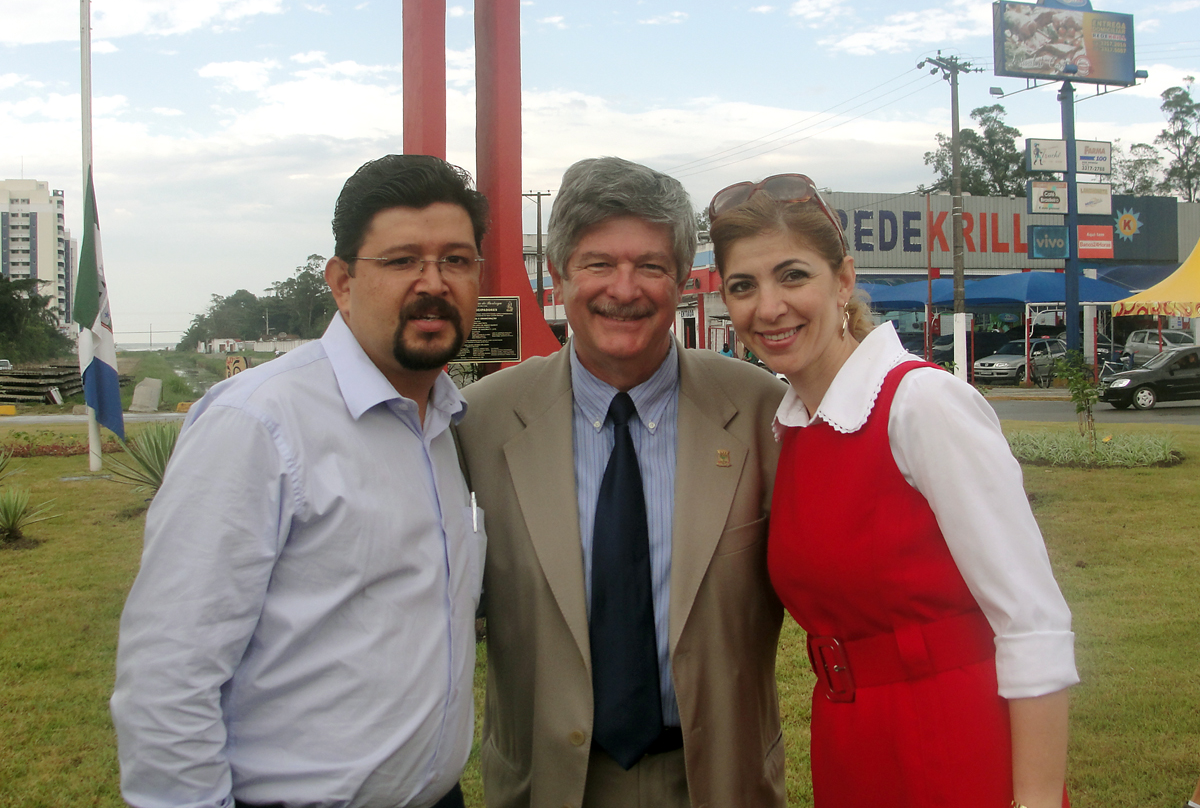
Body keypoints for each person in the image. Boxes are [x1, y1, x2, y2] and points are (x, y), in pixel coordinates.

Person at [111, 155, 489, 808]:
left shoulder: (446, 419)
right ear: (341, 281)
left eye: (456, 260)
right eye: (402, 261)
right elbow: (168, 677)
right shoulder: (258, 424)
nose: (434, 283)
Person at [709, 173, 1079, 808]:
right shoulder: (794, 424)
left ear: (844, 280)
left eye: (792, 276)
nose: (767, 307)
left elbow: (1032, 620)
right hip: (850, 745)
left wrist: (1038, 798)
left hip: (954, 744)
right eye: (743, 286)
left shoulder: (921, 404)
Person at [457, 157, 788, 808]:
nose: (625, 287)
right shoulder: (481, 423)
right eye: (598, 263)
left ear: (682, 282)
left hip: (717, 779)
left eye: (652, 266)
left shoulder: (759, 412)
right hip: (547, 783)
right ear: (559, 276)